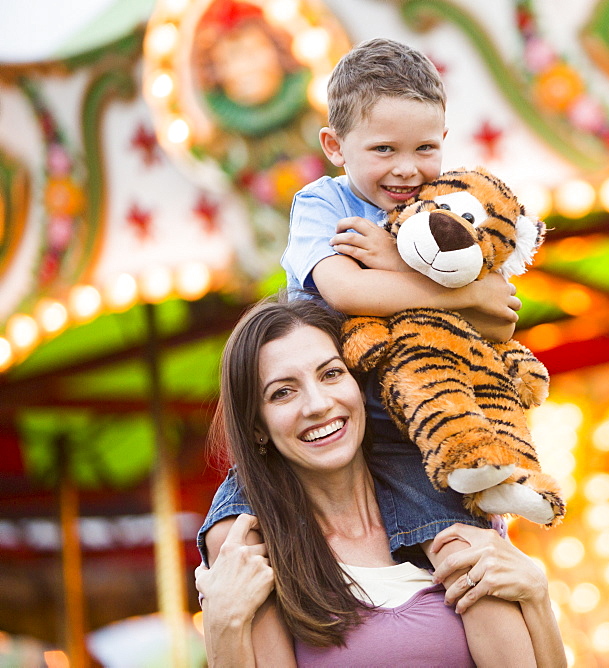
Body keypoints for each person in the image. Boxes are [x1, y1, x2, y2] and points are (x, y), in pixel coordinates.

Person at [197, 37, 545, 664]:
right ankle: (230, 607)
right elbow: (342, 285)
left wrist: (452, 285)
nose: (407, 170)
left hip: (410, 430)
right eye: (383, 150)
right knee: (240, 528)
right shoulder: (324, 203)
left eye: (425, 148)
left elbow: (501, 310)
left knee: (466, 555)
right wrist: (454, 288)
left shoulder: (445, 205)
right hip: (345, 421)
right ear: (335, 147)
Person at [195, 297, 565, 665]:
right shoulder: (258, 550)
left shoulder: (444, 505)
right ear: (257, 426)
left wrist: (536, 595)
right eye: (283, 392)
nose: (318, 404)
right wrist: (224, 626)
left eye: (331, 373)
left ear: (359, 385)